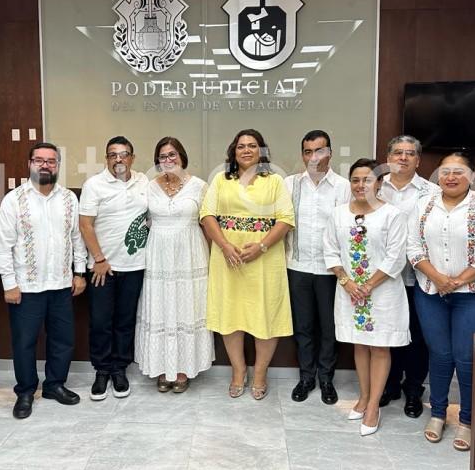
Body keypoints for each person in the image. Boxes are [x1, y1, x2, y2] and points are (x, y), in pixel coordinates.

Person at [407, 152, 475, 451]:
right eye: (445, 171)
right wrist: (438, 278)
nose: (451, 177)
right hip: (430, 291)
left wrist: (458, 280)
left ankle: (467, 419)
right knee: (439, 354)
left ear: (472, 176)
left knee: (466, 357)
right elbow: (413, 246)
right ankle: (437, 413)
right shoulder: (424, 204)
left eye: (459, 171)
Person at [0, 142, 88, 419]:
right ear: (30, 164)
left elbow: (76, 238)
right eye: (39, 160)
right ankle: (25, 391)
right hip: (26, 286)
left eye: (51, 161)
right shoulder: (14, 199)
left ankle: (54, 385)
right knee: (24, 341)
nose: (45, 165)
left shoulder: (69, 198)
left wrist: (80, 272)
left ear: (58, 165)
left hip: (60, 284)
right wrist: (9, 283)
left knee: (63, 339)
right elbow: (2, 245)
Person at [200, 128, 295, 400]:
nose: (246, 150)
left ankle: (261, 373)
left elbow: (285, 219)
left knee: (264, 313)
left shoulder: (275, 181)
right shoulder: (221, 180)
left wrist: (262, 245)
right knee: (231, 315)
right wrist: (225, 246)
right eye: (240, 146)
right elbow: (207, 215)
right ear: (233, 151)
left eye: (252, 146)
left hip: (265, 258)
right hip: (227, 257)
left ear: (261, 151)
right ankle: (238, 371)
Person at [324, 158, 409, 436]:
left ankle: (373, 405)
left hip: (382, 292)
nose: (361, 185)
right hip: (349, 291)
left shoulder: (392, 214)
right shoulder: (338, 214)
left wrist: (369, 284)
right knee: (360, 344)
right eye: (356, 180)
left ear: (380, 183)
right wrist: (347, 281)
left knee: (380, 346)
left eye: (368, 180)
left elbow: (396, 257)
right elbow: (331, 250)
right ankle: (362, 396)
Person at [135, 137, 213, 393]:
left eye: (172, 155)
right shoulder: (148, 187)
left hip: (190, 256)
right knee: (161, 308)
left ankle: (182, 369)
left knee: (186, 309)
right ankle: (162, 367)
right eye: (162, 157)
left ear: (182, 156)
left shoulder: (200, 186)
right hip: (157, 257)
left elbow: (209, 224)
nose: (167, 160)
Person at [79, 136, 149, 400]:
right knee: (100, 322)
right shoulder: (94, 185)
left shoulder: (144, 182)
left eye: (124, 154)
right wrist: (98, 259)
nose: (118, 159)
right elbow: (85, 224)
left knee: (125, 321)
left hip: (135, 265)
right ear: (106, 159)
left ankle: (120, 369)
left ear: (132, 157)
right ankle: (102, 371)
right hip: (102, 267)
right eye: (112, 155)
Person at [284, 130, 350, 404]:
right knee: (303, 326)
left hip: (330, 269)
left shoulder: (344, 186)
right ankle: (306, 377)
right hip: (297, 265)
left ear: (330, 153)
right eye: (308, 152)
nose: (314, 157)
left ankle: (326, 379)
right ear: (302, 155)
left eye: (319, 151)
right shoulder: (289, 184)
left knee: (328, 327)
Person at [378, 135, 438, 418]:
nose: (403, 158)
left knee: (417, 336)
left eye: (410, 153)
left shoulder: (432, 192)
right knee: (387, 334)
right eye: (398, 153)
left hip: (419, 277)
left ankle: (413, 389)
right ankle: (388, 385)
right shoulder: (373, 189)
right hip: (382, 278)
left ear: (418, 160)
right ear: (388, 157)